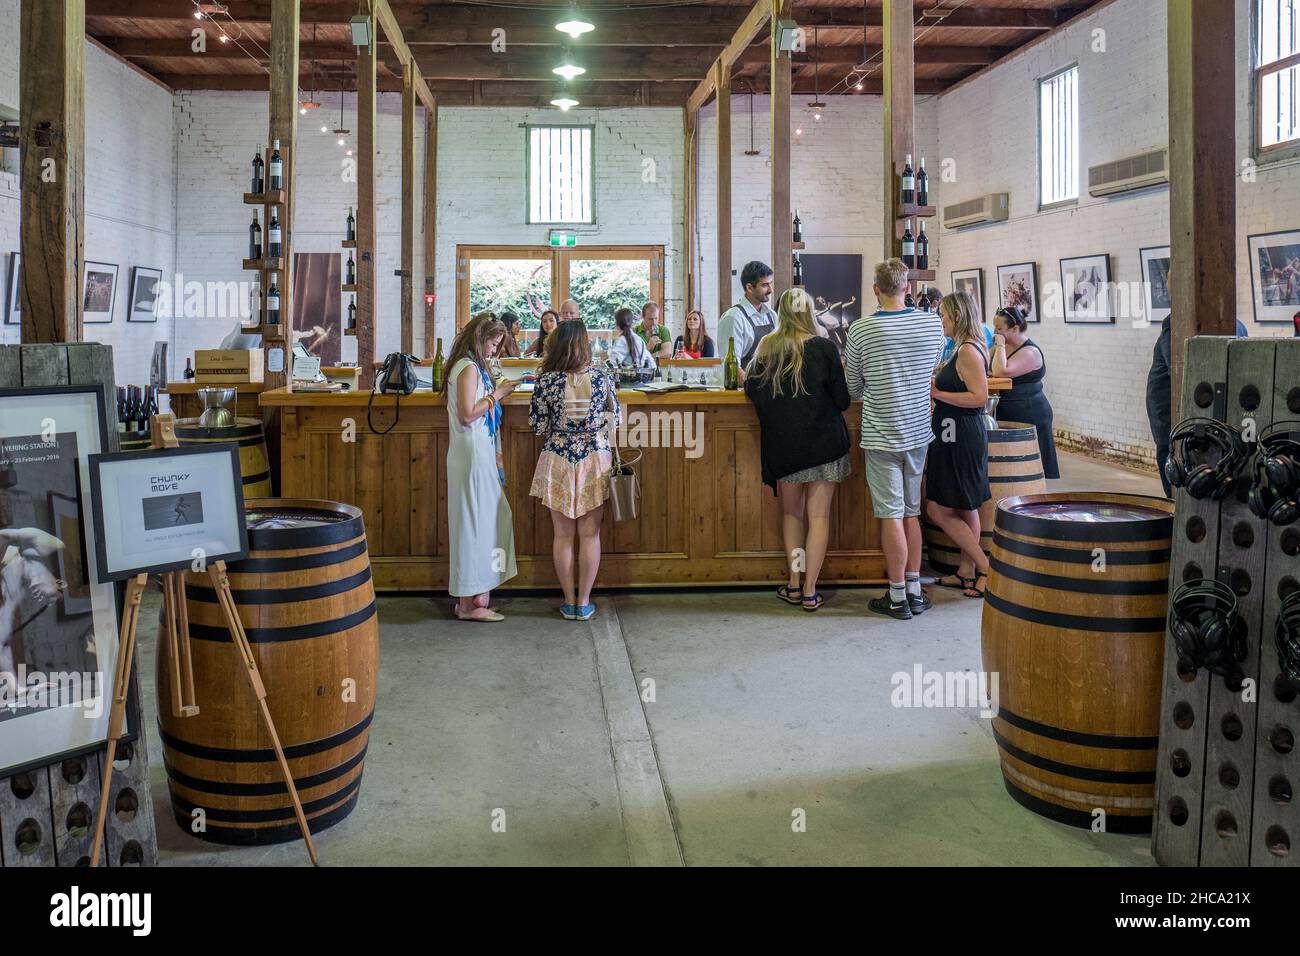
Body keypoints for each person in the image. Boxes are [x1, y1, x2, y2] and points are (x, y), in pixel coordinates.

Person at [843, 258, 946, 620]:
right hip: (919, 429)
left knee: (890, 514)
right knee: (912, 512)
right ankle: (916, 588)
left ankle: (897, 595)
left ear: (876, 289)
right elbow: (934, 367)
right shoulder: (932, 325)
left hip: (881, 431)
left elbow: (852, 386)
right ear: (908, 288)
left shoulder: (861, 330)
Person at [744, 288, 851, 611]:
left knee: (792, 515)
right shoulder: (825, 348)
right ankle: (810, 590)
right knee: (819, 518)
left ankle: (792, 582)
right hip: (825, 446)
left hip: (784, 448)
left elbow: (752, 390)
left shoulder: (767, 346)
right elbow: (843, 400)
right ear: (808, 314)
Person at [528, 320, 620, 621]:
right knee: (590, 535)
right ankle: (585, 601)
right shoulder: (602, 377)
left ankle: (568, 601)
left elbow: (538, 425)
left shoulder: (545, 381)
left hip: (558, 457)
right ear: (584, 345)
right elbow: (614, 419)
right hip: (594, 456)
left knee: (563, 536)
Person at [442, 312, 519, 622]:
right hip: (470, 453)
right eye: (492, 343)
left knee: (485, 520)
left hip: (476, 451)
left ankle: (474, 596)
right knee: (473, 525)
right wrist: (498, 394)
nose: (494, 350)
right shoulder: (468, 368)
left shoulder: (471, 367)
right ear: (479, 339)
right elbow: (466, 413)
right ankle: (469, 603)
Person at [927, 293, 993, 599]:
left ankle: (986, 569)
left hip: (961, 434)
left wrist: (938, 394)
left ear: (957, 316)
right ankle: (966, 572)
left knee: (937, 509)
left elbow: (979, 397)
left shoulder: (968, 351)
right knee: (966, 507)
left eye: (943, 315)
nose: (941, 320)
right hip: (955, 430)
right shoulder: (962, 347)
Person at [990, 305, 1059, 479]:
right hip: (1008, 409)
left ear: (1015, 329)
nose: (995, 332)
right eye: (994, 327)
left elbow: (1000, 371)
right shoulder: (1005, 347)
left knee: (1033, 468)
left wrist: (999, 344)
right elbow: (986, 363)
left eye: (999, 329)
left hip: (1030, 411)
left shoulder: (1030, 352)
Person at [718, 261, 778, 367]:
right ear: (749, 288)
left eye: (771, 283)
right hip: (747, 382)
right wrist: (749, 383)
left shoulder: (772, 316)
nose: (771, 290)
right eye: (765, 285)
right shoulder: (733, 318)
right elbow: (731, 366)